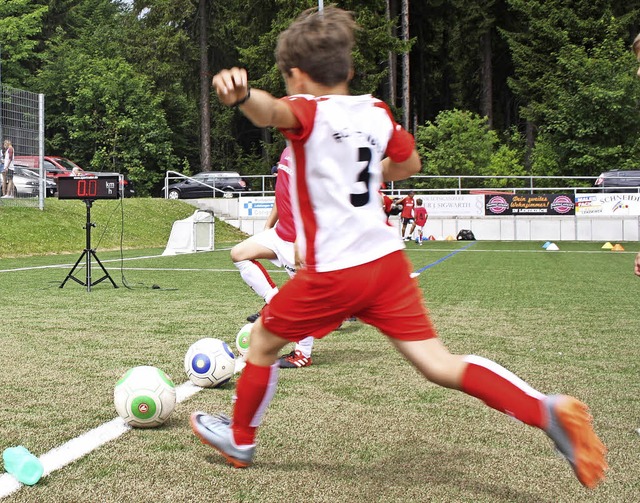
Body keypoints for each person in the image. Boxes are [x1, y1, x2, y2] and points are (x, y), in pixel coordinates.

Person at [190, 6, 607, 489]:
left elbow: (271, 111)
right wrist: (371, 173)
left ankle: (241, 440)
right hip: (387, 264)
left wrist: (242, 97)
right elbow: (409, 163)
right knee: (439, 364)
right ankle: (546, 410)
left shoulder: (307, 111)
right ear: (347, 70)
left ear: (297, 76)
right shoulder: (377, 112)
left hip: (335, 271)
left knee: (262, 343)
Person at [230, 147, 314, 368]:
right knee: (239, 254)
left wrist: (301, 240)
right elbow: (282, 193)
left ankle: (303, 353)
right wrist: (268, 226)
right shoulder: (288, 151)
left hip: (300, 239)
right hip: (279, 234)